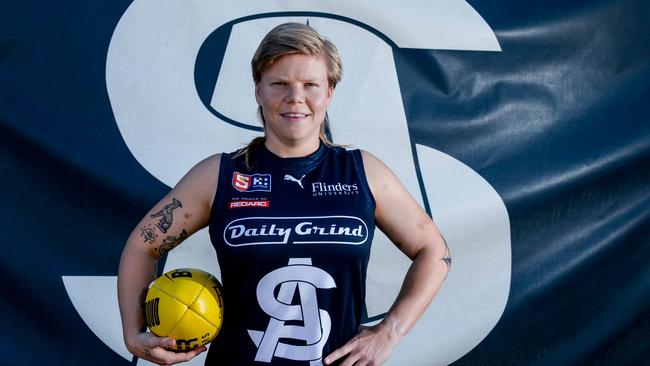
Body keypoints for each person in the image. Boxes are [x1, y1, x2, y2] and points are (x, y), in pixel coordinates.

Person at [117, 22, 450, 366]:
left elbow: (434, 250)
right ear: (258, 90)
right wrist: (134, 333)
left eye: (310, 85)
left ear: (329, 93)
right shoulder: (219, 176)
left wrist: (390, 332)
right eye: (279, 84)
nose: (296, 98)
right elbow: (143, 244)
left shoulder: (363, 172)